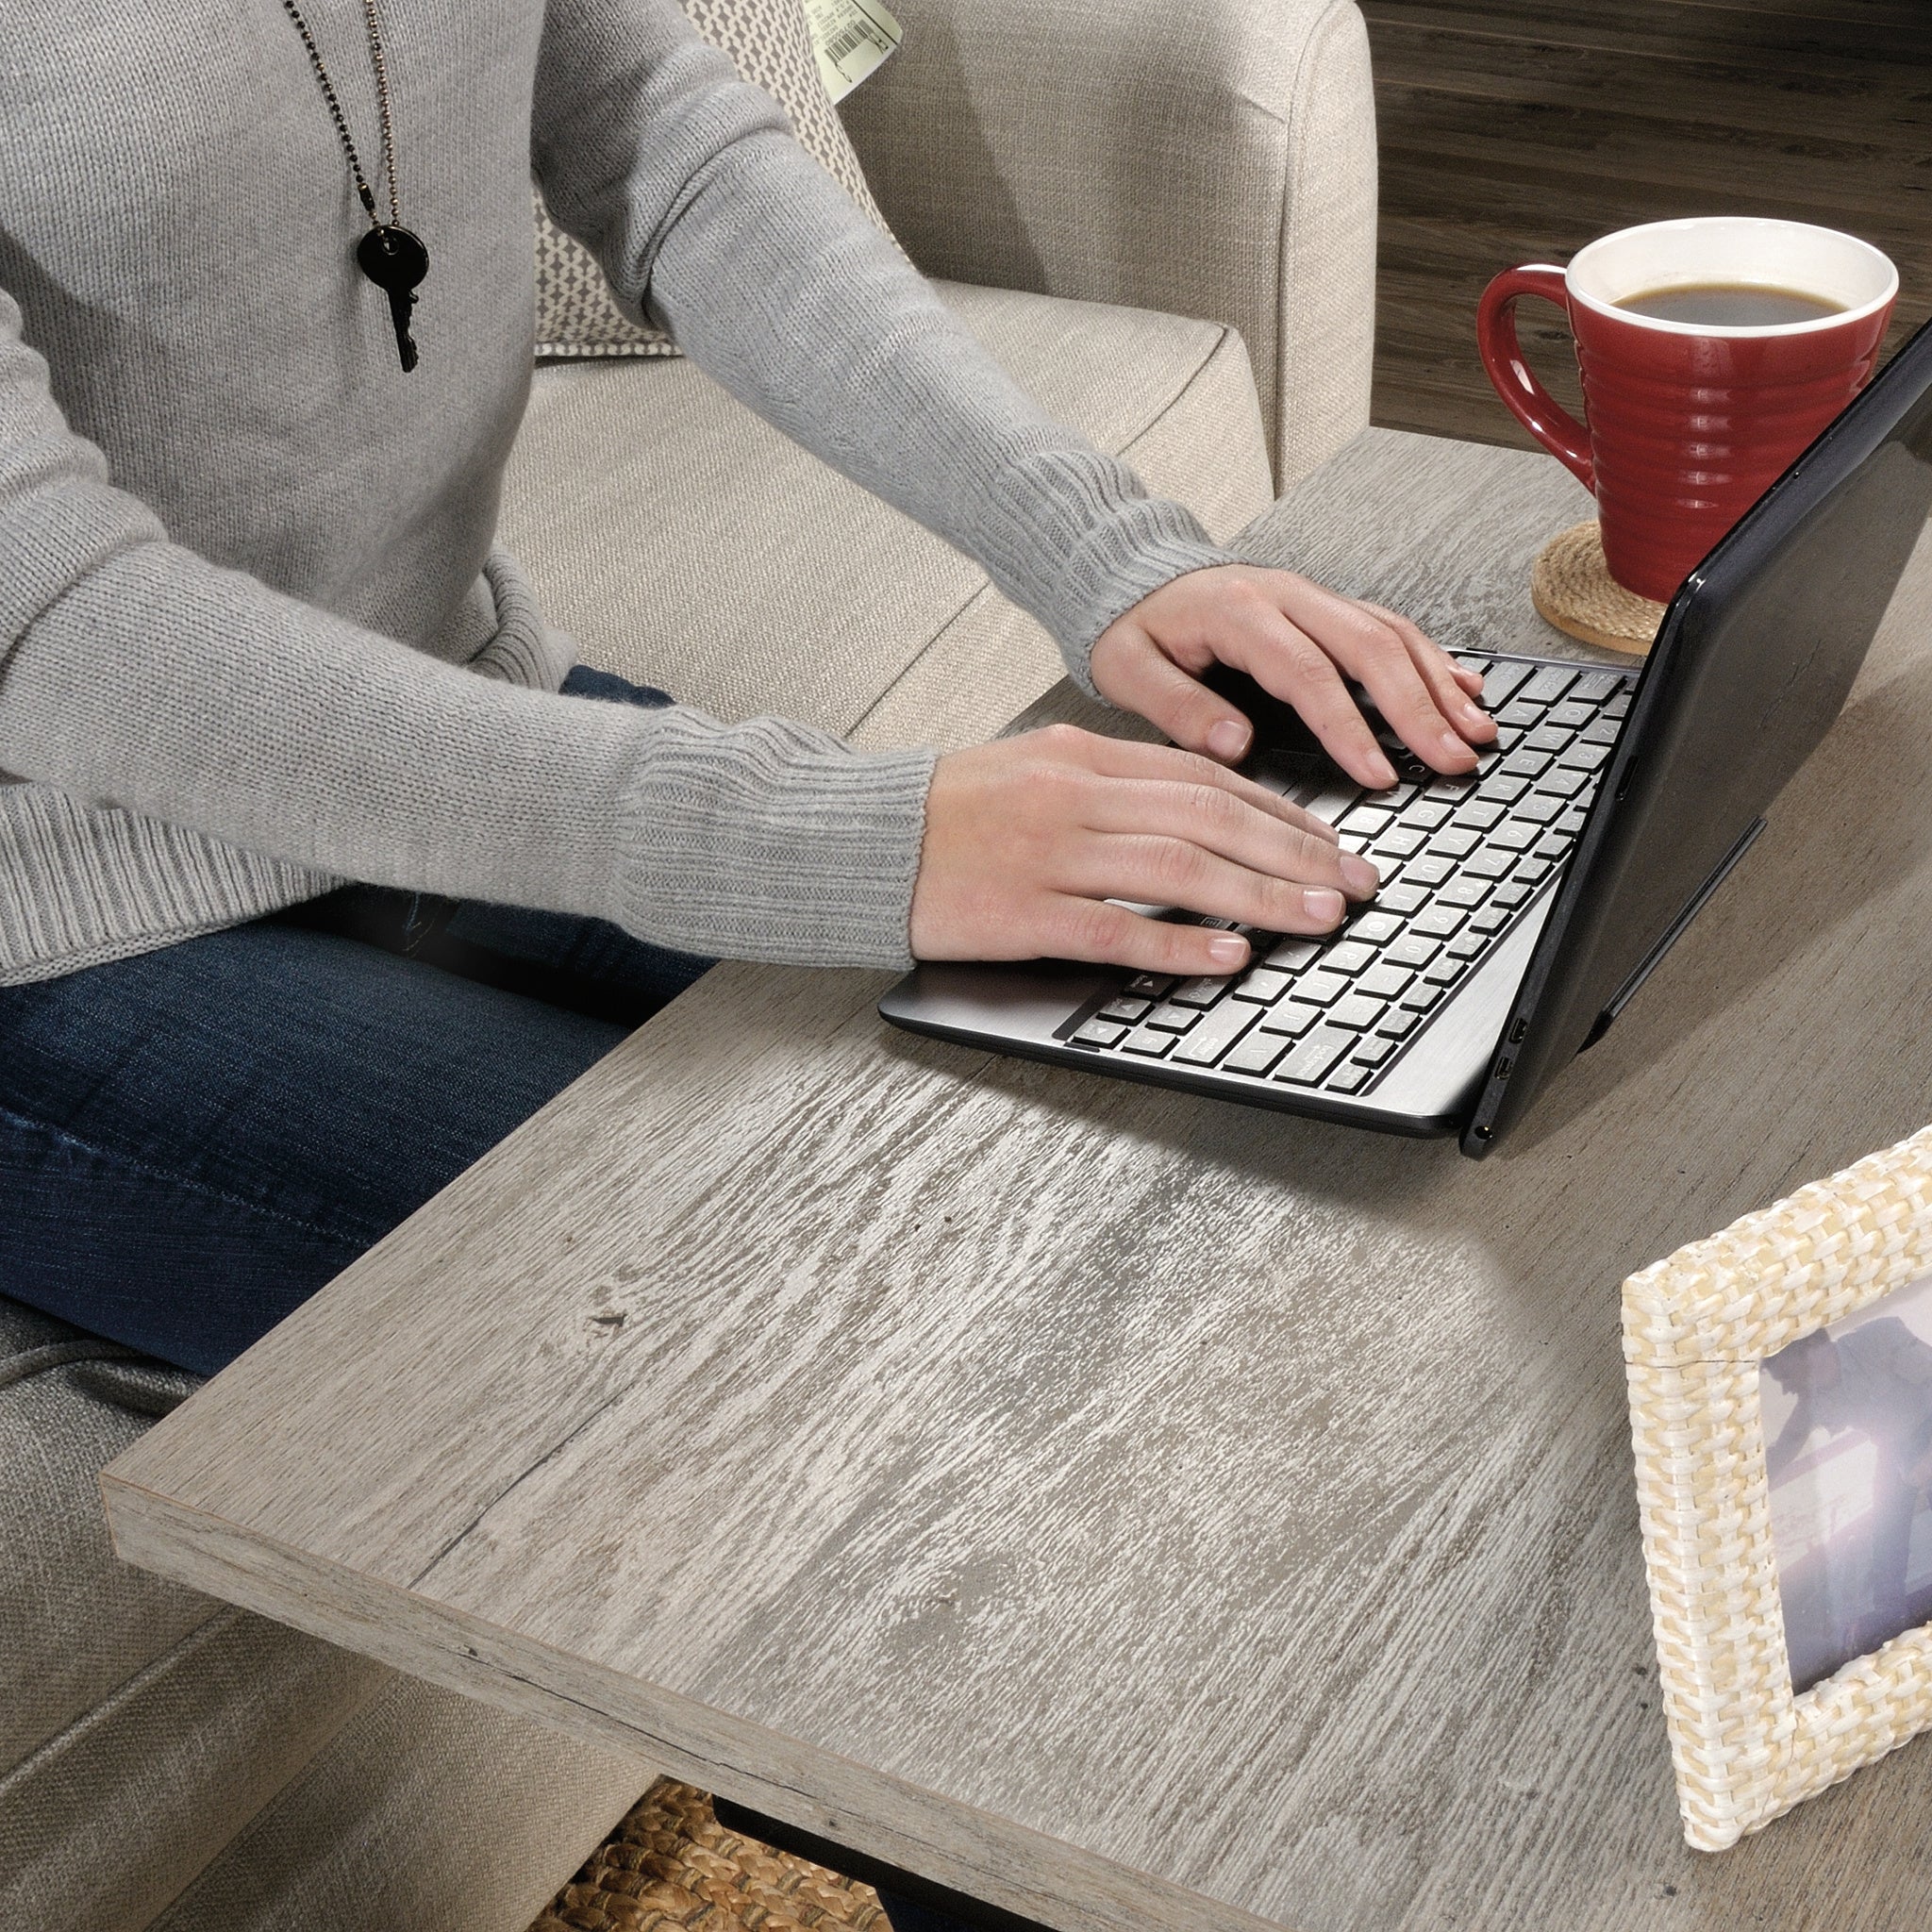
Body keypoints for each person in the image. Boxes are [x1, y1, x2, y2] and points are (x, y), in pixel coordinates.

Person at [0, 5, 1491, 1922]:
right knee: (858, 1388)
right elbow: (56, 628)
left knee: (1141, 1140)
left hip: (440, 703)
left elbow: (658, 138)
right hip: (44, 917)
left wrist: (1108, 547)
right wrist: (855, 835)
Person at [1765, 1317, 1932, 1675]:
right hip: (1895, 1451)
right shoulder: (1813, 1404)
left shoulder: (1881, 1337)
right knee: (1886, 1532)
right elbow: (1783, 1449)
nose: (1784, 1390)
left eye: (1784, 1376)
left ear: (1808, 1350)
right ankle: (1892, 1626)